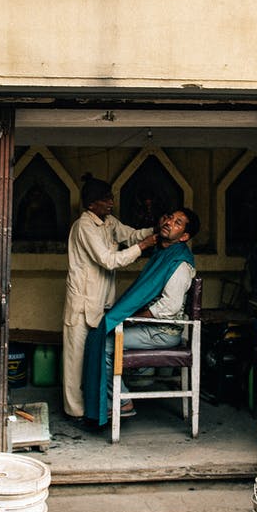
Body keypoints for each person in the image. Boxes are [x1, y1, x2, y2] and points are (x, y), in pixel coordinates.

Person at [82, 208, 201, 425]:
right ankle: (109, 399)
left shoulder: (180, 263)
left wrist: (135, 317)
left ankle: (121, 403)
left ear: (184, 236)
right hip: (152, 327)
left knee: (106, 344)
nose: (169, 223)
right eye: (169, 218)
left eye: (178, 223)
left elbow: (169, 307)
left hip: (163, 331)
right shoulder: (163, 253)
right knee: (100, 333)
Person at [61, 175, 157, 419]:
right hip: (82, 303)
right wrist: (144, 247)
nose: (111, 202)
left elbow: (131, 235)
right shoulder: (83, 226)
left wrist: (154, 231)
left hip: (102, 302)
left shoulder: (108, 222)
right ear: (91, 204)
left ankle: (94, 405)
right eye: (105, 199)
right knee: (75, 362)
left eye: (111, 197)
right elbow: (108, 260)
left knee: (93, 358)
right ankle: (76, 411)